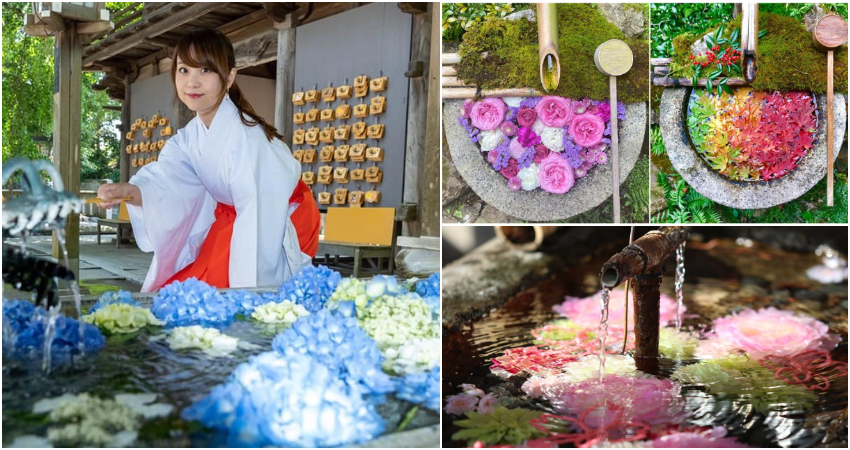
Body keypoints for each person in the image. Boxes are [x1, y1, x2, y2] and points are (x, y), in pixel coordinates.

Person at [98, 28, 320, 292]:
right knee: (186, 290)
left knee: (222, 295)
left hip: (276, 220)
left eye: (205, 71)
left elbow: (259, 216)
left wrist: (249, 294)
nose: (192, 82)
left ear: (229, 77)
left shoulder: (247, 139)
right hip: (236, 219)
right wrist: (132, 191)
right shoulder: (189, 138)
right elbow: (170, 180)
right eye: (184, 70)